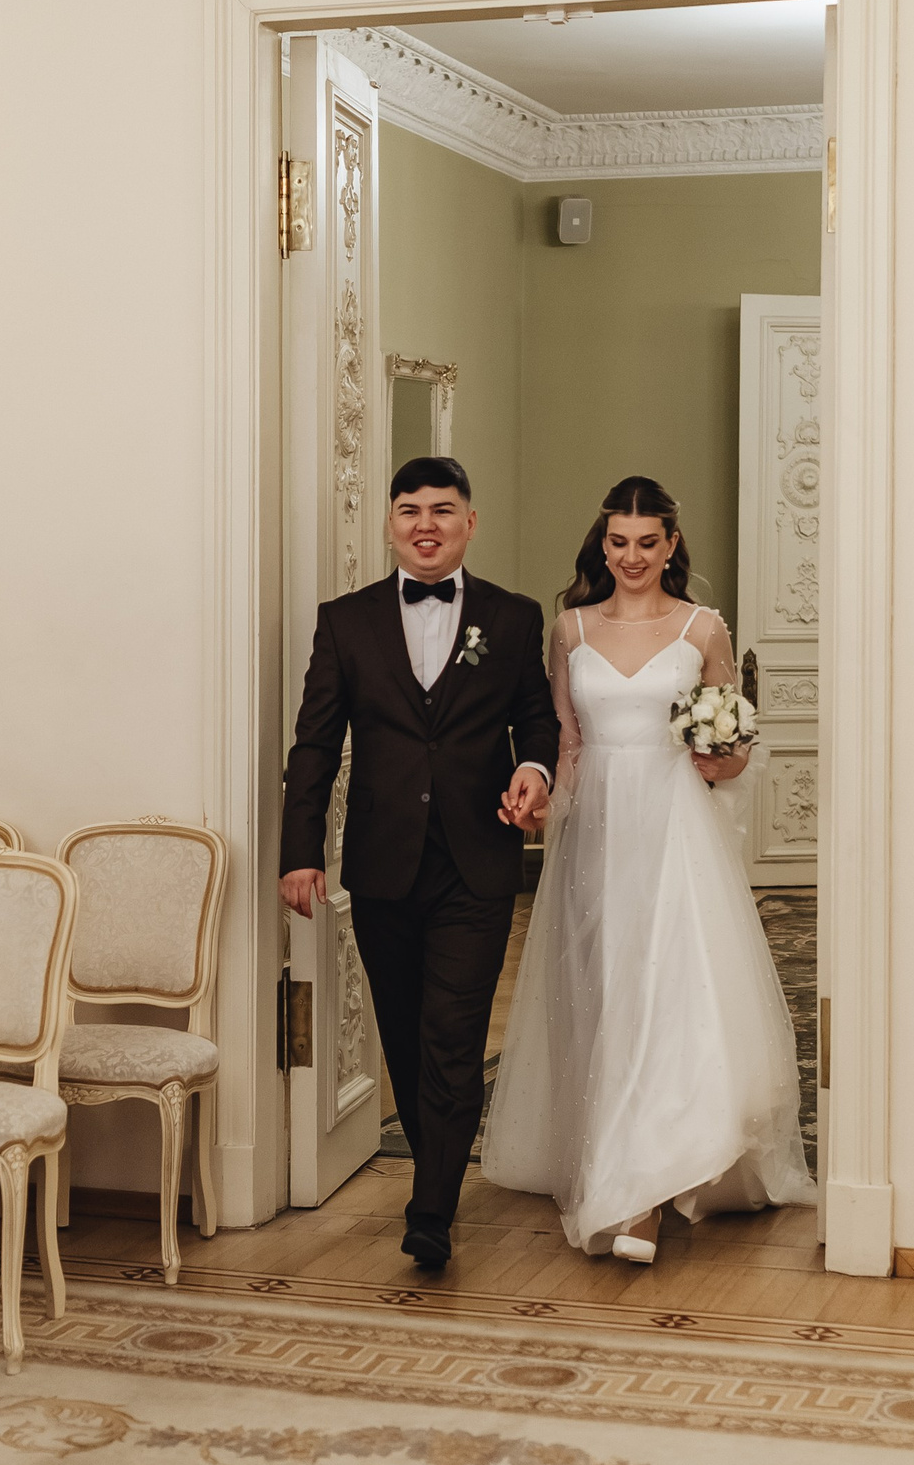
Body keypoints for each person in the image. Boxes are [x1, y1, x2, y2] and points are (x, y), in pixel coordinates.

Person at [481, 474, 811, 1263]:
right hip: (596, 832)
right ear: (603, 545)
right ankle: (610, 1153)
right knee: (605, 995)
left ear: (671, 546)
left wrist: (722, 759)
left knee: (669, 995)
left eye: (647, 543)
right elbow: (566, 744)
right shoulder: (569, 630)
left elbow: (732, 749)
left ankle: (645, 1196)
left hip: (674, 828)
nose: (631, 557)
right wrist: (542, 806)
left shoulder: (703, 629)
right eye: (619, 542)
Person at [279, 456, 559, 1275]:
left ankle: (432, 1208)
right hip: (383, 864)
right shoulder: (346, 622)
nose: (425, 525)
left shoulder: (513, 617)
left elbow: (536, 719)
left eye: (442, 509)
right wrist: (300, 853)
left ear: (470, 523)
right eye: (410, 510)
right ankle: (435, 1167)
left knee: (454, 1034)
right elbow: (314, 745)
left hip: (478, 860)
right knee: (403, 1033)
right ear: (391, 524)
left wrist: (534, 771)